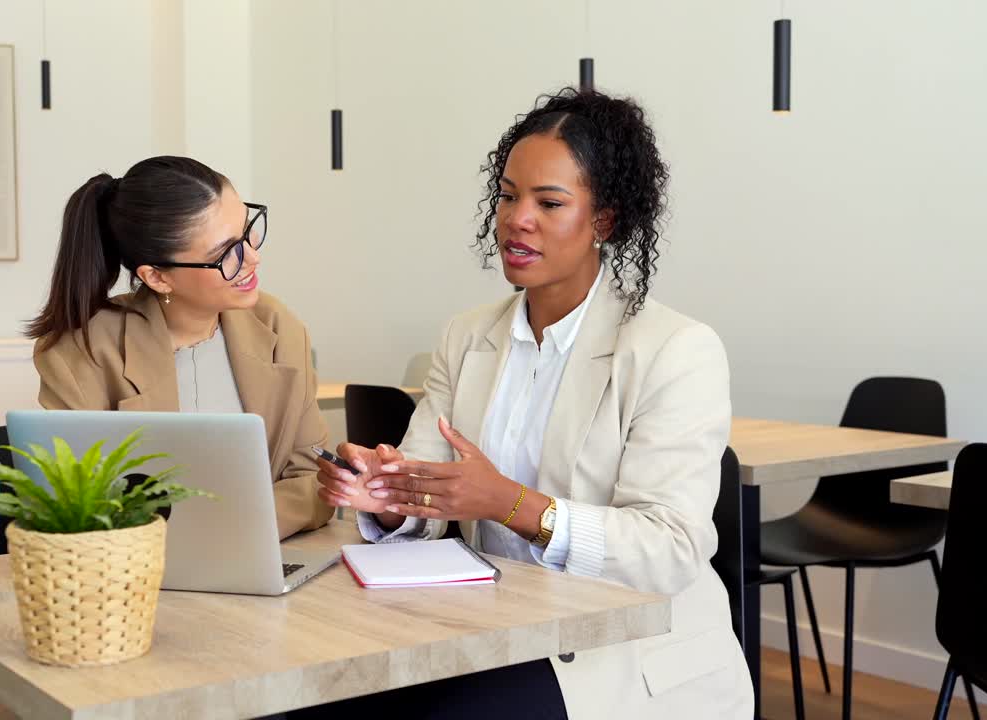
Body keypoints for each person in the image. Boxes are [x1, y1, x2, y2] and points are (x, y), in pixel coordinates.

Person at [315, 89, 753, 718]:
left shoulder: (677, 349)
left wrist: (511, 504)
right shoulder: (466, 337)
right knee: (332, 699)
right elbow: (426, 493)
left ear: (604, 221)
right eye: (508, 195)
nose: (517, 219)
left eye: (549, 203)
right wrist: (388, 499)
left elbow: (670, 549)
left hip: (622, 650)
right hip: (492, 629)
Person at [29, 155, 333, 540]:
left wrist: (235, 531)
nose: (252, 258)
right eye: (226, 254)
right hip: (138, 577)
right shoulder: (80, 352)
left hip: (265, 563)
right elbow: (79, 510)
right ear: (156, 277)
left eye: (247, 232)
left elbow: (315, 479)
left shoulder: (276, 325)